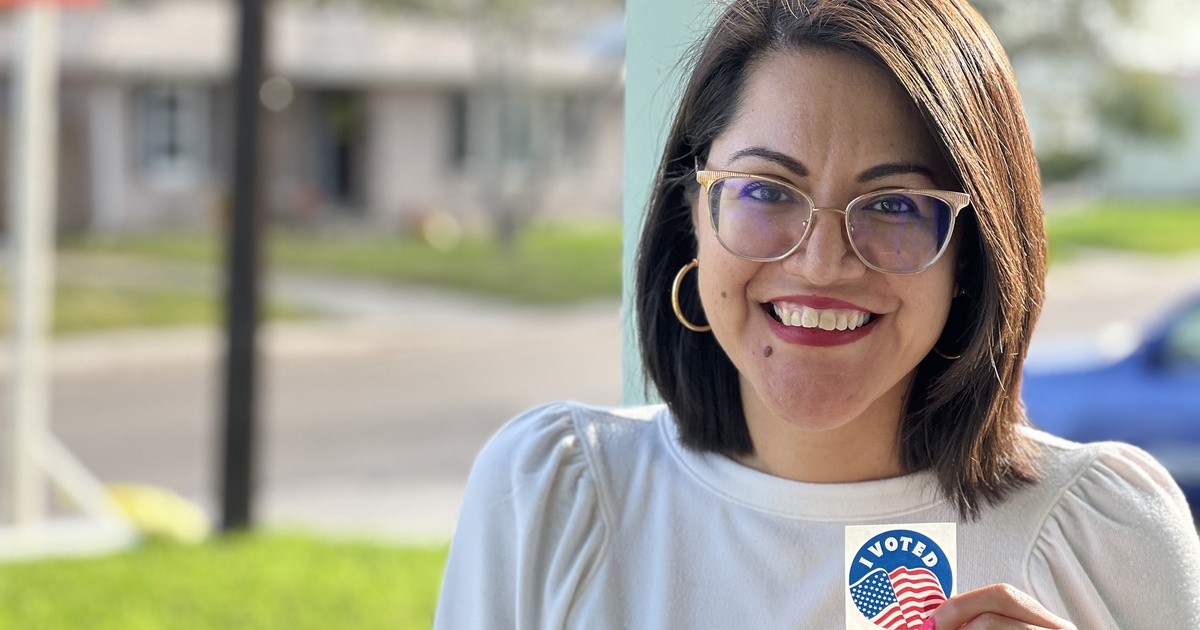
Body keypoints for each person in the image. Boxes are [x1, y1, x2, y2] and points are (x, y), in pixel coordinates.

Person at [434, 0, 1200, 628]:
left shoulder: (1105, 535)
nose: (822, 262)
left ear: (970, 256)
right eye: (766, 191)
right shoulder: (556, 494)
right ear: (692, 217)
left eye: (895, 205)